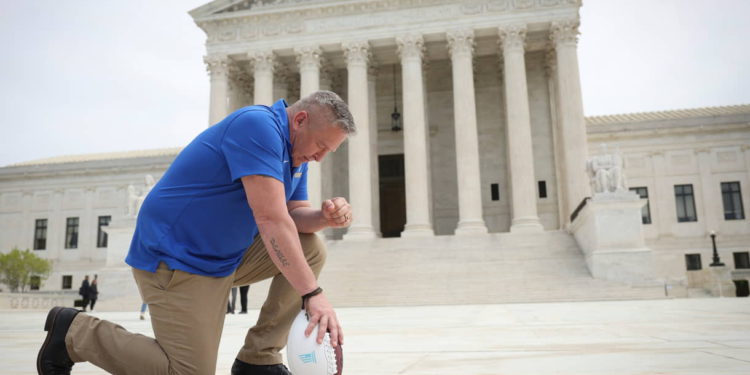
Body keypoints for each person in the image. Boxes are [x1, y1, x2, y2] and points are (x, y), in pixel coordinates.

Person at [37, 91, 356, 375]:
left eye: (329, 152)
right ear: (300, 120)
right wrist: (313, 295)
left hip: (222, 257)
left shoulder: (295, 154)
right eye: (321, 146)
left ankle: (258, 360)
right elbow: (271, 220)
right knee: (186, 371)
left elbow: (293, 214)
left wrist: (323, 218)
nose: (320, 157)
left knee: (312, 246)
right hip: (175, 258)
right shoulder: (258, 127)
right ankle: (75, 332)